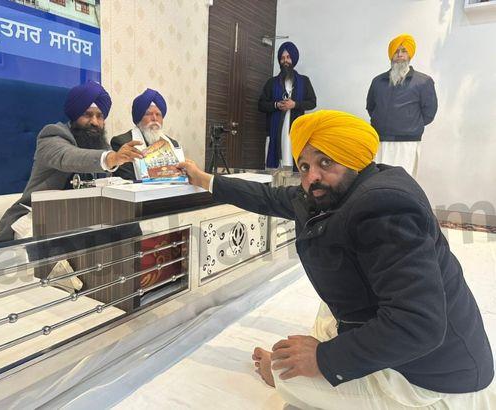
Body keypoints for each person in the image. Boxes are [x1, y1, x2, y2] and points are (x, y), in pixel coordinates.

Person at [178, 110, 495, 409]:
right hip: (421, 349)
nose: (312, 177)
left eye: (325, 162)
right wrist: (203, 179)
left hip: (435, 378)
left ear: (353, 158)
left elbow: (420, 325)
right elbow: (268, 197)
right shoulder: (339, 190)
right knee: (327, 312)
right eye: (304, 166)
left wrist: (322, 359)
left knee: (287, 377)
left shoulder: (384, 208)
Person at [0, 81, 143, 243]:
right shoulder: (52, 135)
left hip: (81, 216)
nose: (95, 122)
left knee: (128, 224)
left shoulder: (101, 144)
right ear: (75, 115)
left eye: (100, 116)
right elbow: (68, 157)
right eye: (87, 114)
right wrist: (110, 158)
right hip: (37, 215)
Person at [366, 33, 438, 178]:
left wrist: (410, 124)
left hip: (407, 143)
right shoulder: (378, 81)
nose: (400, 55)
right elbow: (371, 107)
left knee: (402, 181)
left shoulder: (423, 82)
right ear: (391, 55)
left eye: (404, 51)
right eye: (396, 51)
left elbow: (429, 113)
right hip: (380, 141)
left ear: (410, 54)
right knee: (378, 180)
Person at [258, 41, 316, 170]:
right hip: (275, 133)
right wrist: (276, 105)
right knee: (274, 171)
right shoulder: (271, 82)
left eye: (288, 57)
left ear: (293, 59)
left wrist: (295, 104)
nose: (285, 61)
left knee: (293, 165)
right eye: (282, 58)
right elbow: (261, 104)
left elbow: (312, 102)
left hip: (295, 132)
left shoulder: (304, 81)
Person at [111, 88, 180, 181]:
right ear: (139, 118)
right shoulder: (123, 142)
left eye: (158, 114)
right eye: (149, 114)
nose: (154, 118)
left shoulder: (173, 144)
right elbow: (127, 182)